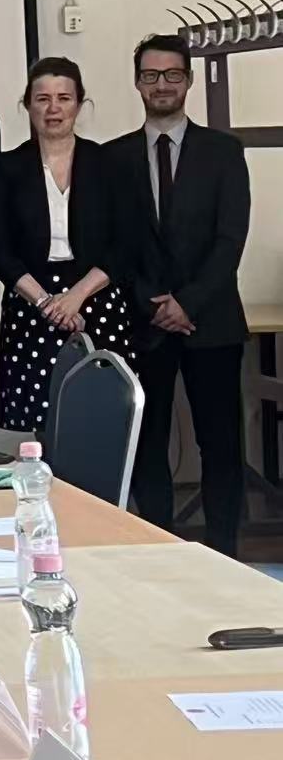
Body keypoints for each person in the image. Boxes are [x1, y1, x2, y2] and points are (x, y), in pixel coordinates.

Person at [109, 34, 250, 556]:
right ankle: (159, 552)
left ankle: (225, 553)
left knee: (221, 444)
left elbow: (230, 239)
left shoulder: (224, 152)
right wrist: (154, 302)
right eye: (151, 75)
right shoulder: (113, 157)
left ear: (188, 80)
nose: (161, 84)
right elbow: (115, 244)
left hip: (211, 321)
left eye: (172, 74)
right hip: (143, 323)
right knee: (147, 444)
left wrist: (188, 302)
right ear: (137, 82)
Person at [0, 58, 132, 434]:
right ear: (27, 105)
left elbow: (126, 242)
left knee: (104, 422)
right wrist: (47, 303)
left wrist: (76, 297)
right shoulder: (7, 168)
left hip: (97, 297)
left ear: (80, 104)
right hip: (31, 300)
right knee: (46, 425)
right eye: (42, 99)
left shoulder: (108, 163)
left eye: (64, 98)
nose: (53, 109)